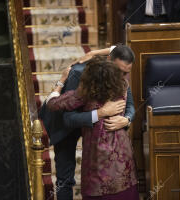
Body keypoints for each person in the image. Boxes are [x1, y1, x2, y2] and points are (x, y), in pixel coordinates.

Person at [39, 45, 136, 200]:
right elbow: (65, 115)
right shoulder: (82, 77)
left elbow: (130, 105)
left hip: (103, 139)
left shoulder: (123, 77)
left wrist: (127, 119)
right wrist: (100, 113)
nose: (123, 76)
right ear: (109, 61)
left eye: (126, 72)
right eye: (120, 71)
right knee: (65, 178)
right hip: (66, 128)